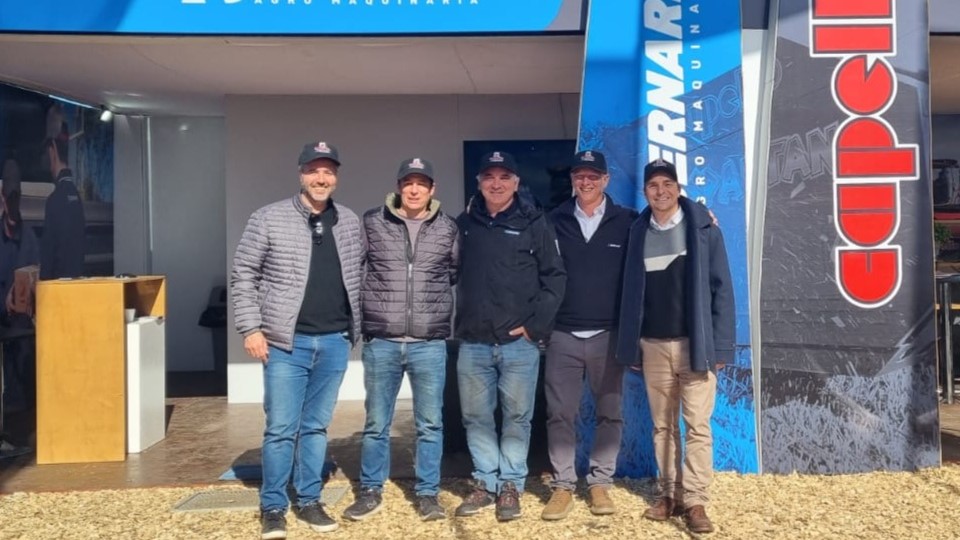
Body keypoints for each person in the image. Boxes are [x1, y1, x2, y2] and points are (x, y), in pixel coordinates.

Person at [231, 141, 364, 540]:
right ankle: (273, 506)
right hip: (286, 344)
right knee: (280, 428)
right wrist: (251, 328)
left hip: (334, 340)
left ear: (336, 176)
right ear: (301, 173)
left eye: (328, 171)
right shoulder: (268, 218)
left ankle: (309, 499)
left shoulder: (349, 220)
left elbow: (360, 273)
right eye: (314, 170)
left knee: (316, 427)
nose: (321, 178)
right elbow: (244, 274)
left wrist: (355, 329)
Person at [616, 159, 735, 534]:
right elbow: (630, 294)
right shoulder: (637, 232)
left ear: (678, 188)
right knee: (662, 427)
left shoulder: (703, 229)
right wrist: (632, 345)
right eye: (653, 185)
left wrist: (721, 349)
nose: (661, 191)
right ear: (645, 192)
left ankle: (696, 501)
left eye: (667, 184)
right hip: (653, 346)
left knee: (697, 426)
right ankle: (669, 495)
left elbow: (722, 289)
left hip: (695, 346)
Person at [342, 157, 459, 523]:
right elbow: (356, 269)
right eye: (408, 183)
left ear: (432, 189)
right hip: (383, 341)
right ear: (398, 186)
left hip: (429, 343)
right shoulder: (372, 222)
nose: (414, 189)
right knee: (377, 422)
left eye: (421, 183)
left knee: (430, 424)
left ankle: (427, 493)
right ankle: (371, 490)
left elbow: (452, 272)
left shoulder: (448, 228)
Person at [454, 151, 566, 522]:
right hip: (474, 341)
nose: (496, 184)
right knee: (476, 417)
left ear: (516, 183)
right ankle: (485, 481)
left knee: (517, 417)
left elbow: (555, 277)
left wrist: (535, 325)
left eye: (505, 177)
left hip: (519, 344)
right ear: (479, 183)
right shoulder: (465, 224)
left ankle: (511, 485)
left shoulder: (535, 221)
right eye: (489, 177)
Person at [541, 150, 637, 520]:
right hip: (563, 334)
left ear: (606, 180)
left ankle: (600, 483)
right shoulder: (554, 220)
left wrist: (702, 217)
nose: (586, 182)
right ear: (572, 180)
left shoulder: (628, 221)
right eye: (580, 176)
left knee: (609, 413)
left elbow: (668, 223)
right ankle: (563, 484)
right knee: (559, 413)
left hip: (608, 335)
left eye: (593, 176)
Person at [1, 158, 40, 414]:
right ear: (2, 197)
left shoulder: (31, 239)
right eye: (9, 198)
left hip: (23, 334)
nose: (12, 205)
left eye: (16, 198)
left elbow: (39, 282)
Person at [39, 136, 85, 280]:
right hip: (76, 284)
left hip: (57, 287)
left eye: (46, 154)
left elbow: (48, 254)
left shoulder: (55, 200)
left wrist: (42, 285)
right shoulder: (77, 198)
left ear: (52, 152)